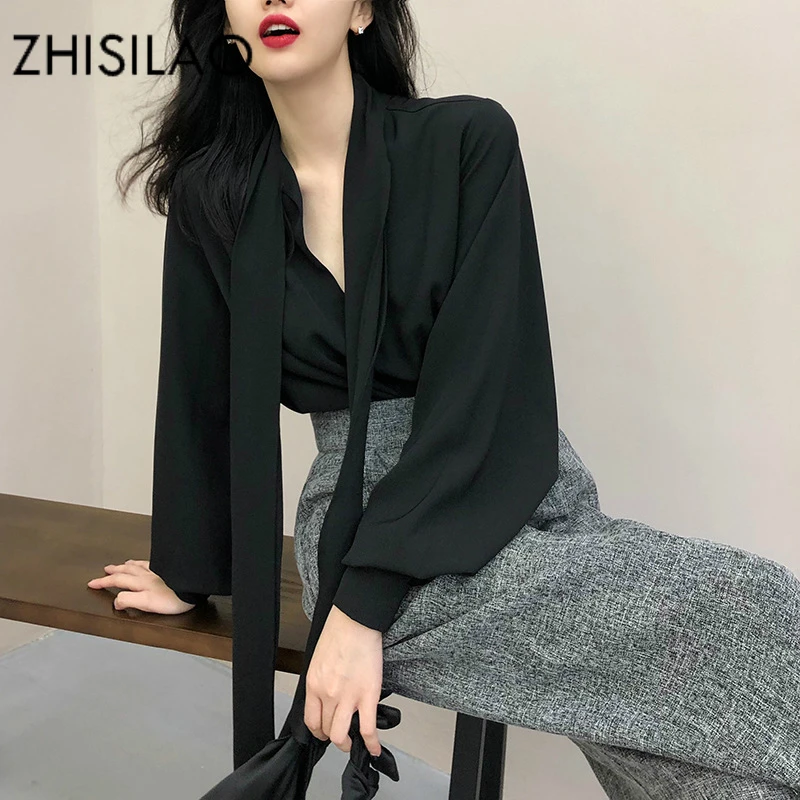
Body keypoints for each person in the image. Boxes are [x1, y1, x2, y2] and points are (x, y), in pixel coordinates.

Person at [88, 1, 800, 797]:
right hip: (356, 523)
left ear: (362, 10)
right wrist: (187, 570)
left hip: (510, 480)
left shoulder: (466, 141)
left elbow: (486, 379)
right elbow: (199, 395)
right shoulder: (213, 196)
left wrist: (359, 615)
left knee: (705, 702)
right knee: (751, 608)